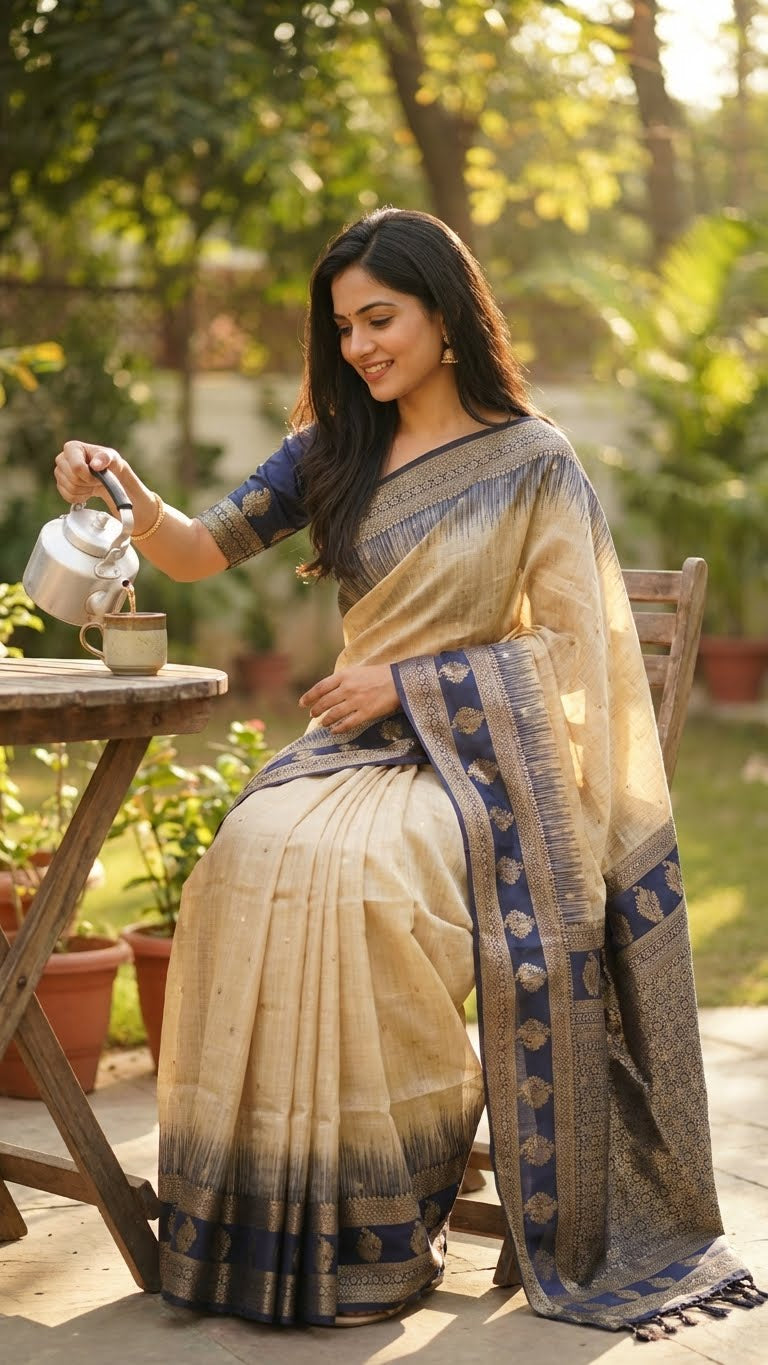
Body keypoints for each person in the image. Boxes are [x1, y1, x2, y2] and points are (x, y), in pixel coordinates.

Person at [53, 207, 762, 1338]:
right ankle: (268, 1214)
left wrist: (410, 680)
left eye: (379, 319)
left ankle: (377, 1222)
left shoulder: (532, 460)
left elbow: (575, 647)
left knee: (366, 881)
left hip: (480, 766)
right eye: (342, 328)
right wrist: (124, 491)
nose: (359, 347)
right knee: (245, 857)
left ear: (446, 312)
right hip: (350, 752)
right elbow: (191, 550)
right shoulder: (333, 448)